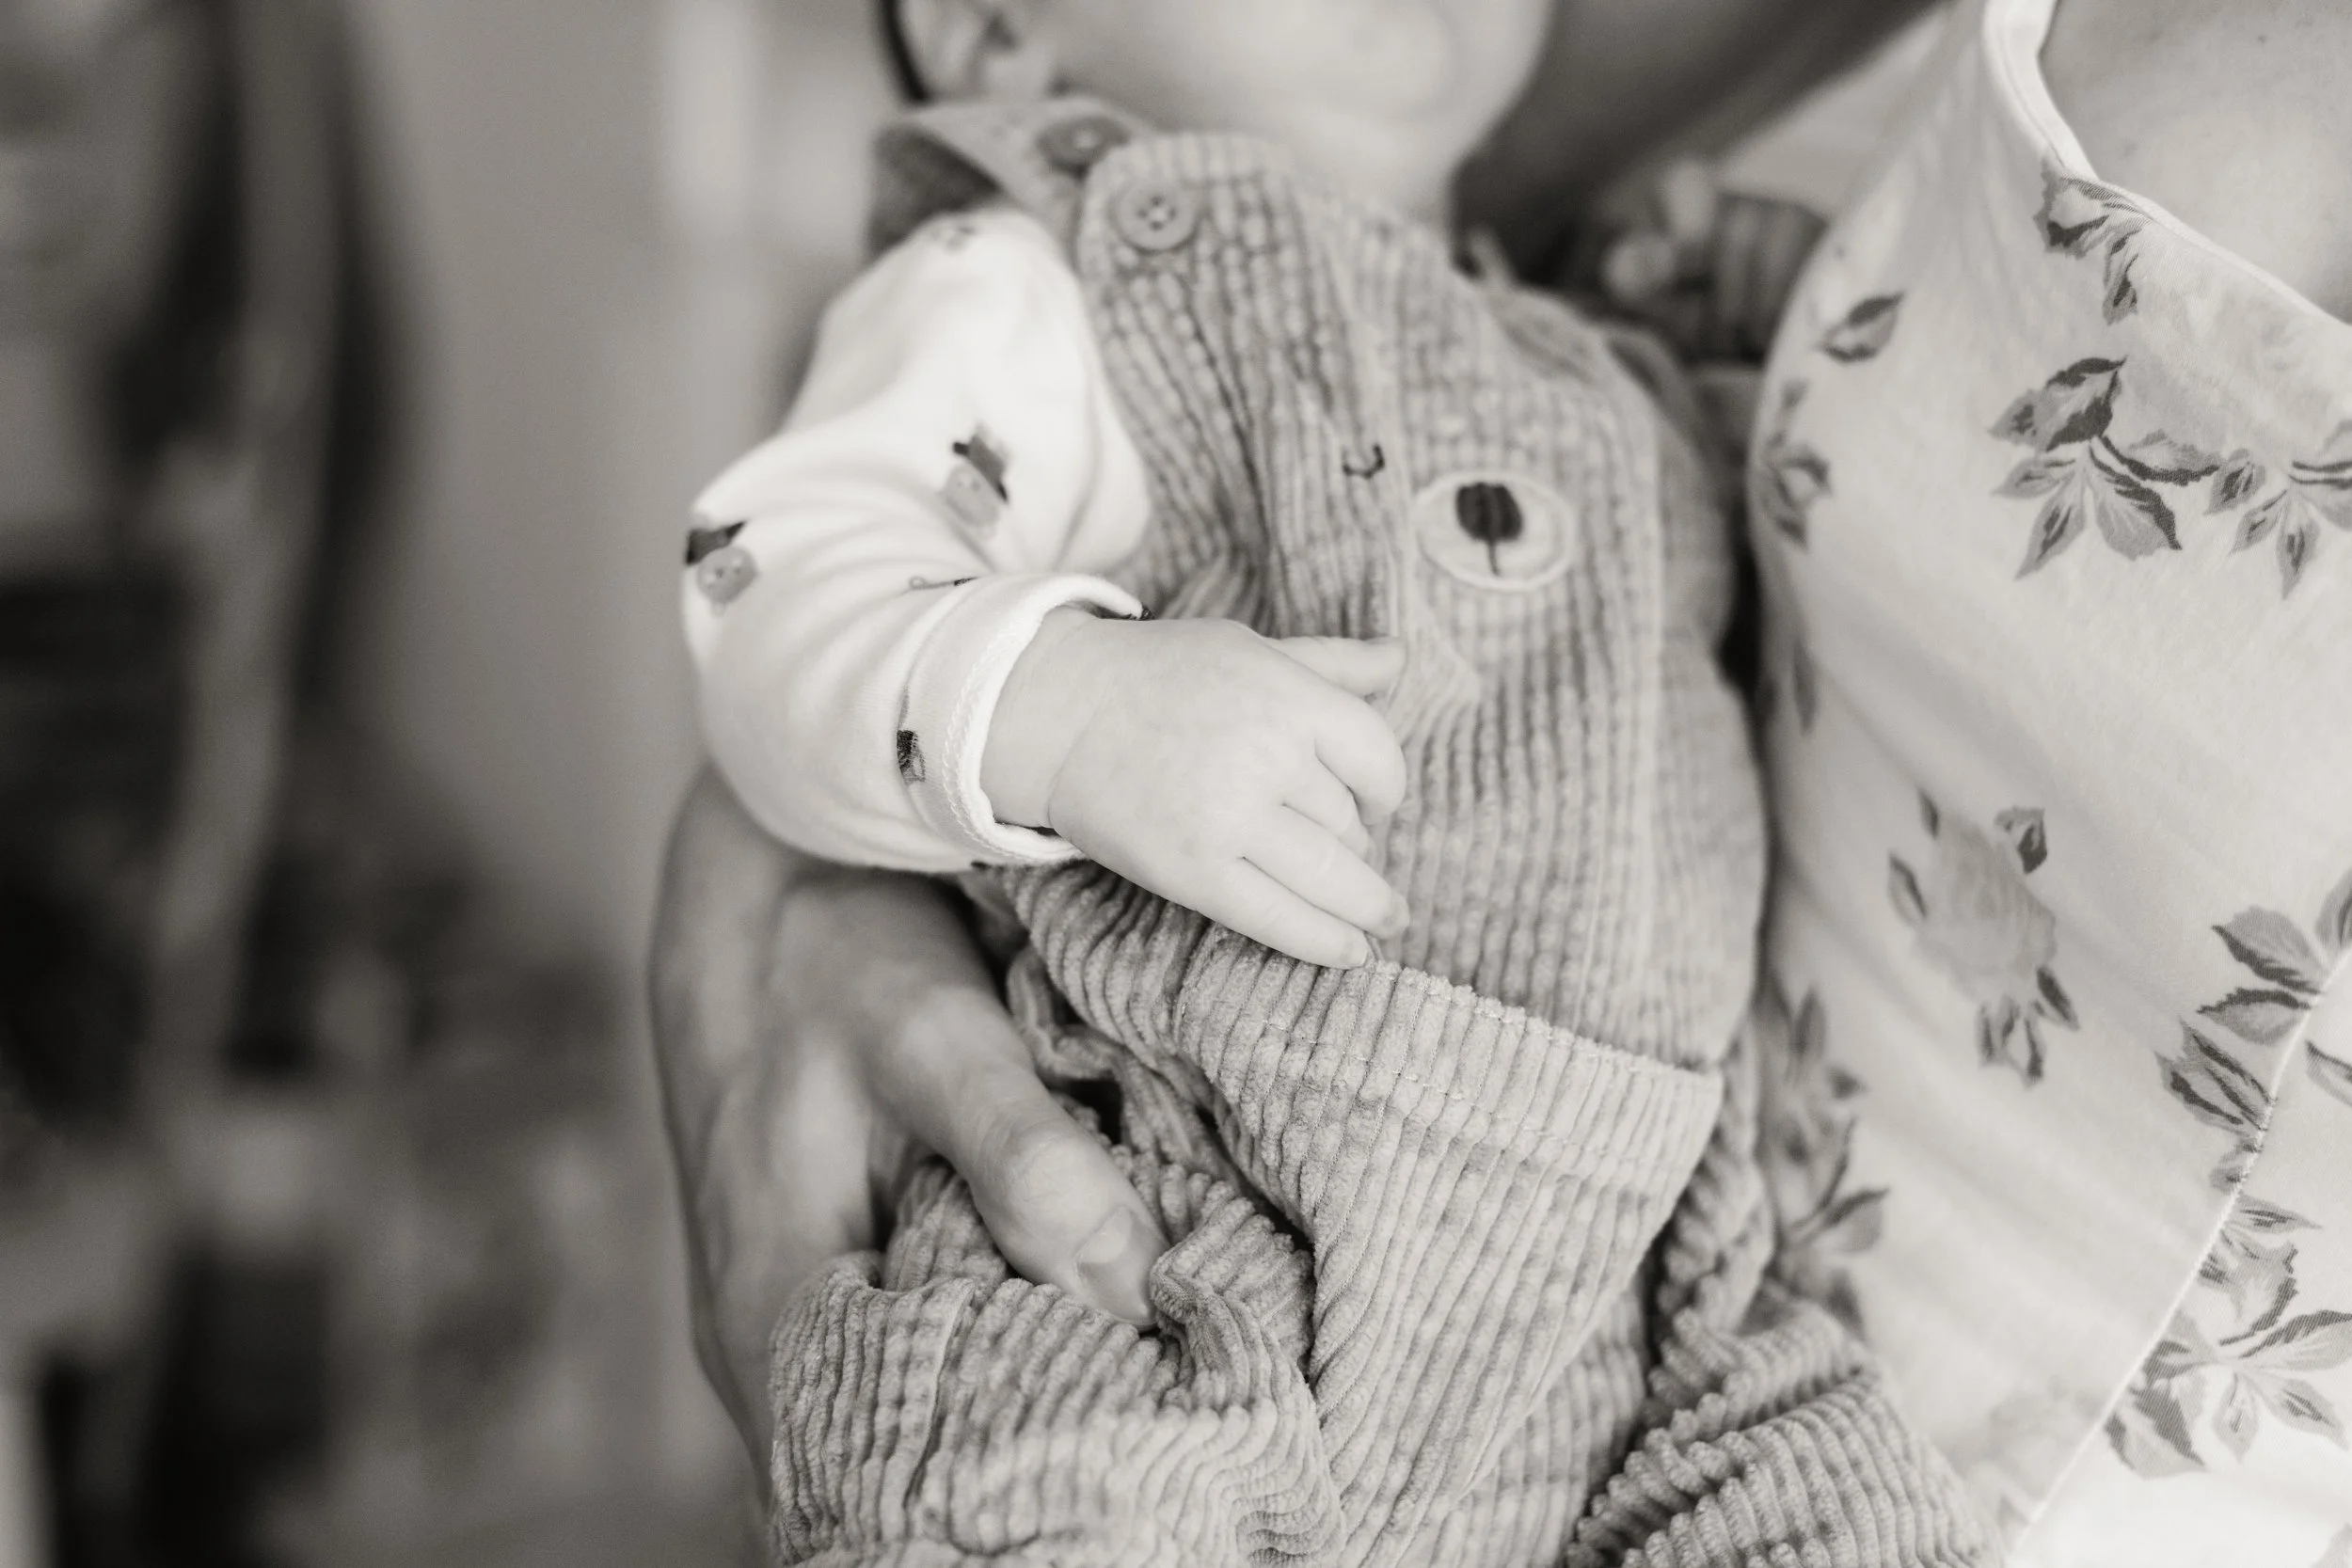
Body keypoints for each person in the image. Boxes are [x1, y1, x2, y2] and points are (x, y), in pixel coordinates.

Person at [655, 0, 2352, 1560]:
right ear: (998, 31)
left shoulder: (1597, 357)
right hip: (1207, 1204)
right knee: (1041, 1503)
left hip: (1661, 1305)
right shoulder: (1042, 271)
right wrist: (1054, 706)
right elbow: (770, 562)